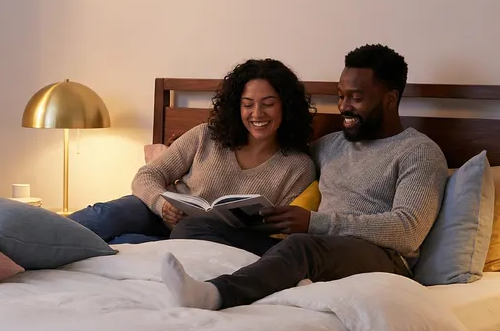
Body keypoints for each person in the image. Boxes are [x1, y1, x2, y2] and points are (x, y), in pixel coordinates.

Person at [162, 44, 448, 310]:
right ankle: (274, 275)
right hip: (313, 248)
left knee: (301, 246)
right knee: (195, 227)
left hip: (381, 257)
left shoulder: (419, 152)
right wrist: (188, 151)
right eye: (340, 96)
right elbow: (276, 157)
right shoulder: (329, 145)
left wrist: (314, 223)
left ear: (390, 100)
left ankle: (217, 294)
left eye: (356, 98)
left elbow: (408, 231)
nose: (343, 106)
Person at [69, 59, 317, 244]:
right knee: (104, 216)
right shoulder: (205, 136)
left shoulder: (298, 167)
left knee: (123, 245)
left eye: (268, 104)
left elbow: (278, 232)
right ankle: (44, 236)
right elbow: (147, 175)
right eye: (247, 104)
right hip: (158, 216)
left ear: (286, 107)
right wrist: (162, 205)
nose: (257, 114)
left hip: (207, 240)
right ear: (236, 107)